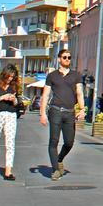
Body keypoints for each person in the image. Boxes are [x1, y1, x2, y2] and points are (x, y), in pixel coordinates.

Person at [40, 49, 83, 181]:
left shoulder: (76, 75)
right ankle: (55, 170)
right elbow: (45, 95)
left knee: (69, 142)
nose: (67, 60)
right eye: (65, 57)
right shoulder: (52, 76)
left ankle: (59, 160)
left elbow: (79, 92)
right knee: (54, 141)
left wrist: (82, 109)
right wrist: (42, 113)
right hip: (55, 111)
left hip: (70, 113)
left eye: (69, 57)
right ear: (59, 59)